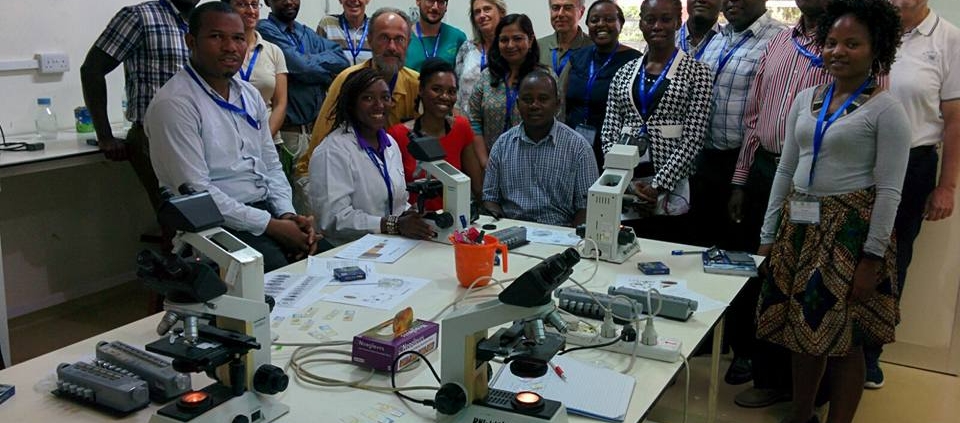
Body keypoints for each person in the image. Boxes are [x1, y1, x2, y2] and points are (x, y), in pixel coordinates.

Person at [754, 1, 909, 422]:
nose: (838, 51)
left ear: (877, 49)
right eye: (832, 42)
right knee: (802, 332)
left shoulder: (886, 109)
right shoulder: (807, 99)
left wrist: (871, 259)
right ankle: (802, 414)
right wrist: (769, 234)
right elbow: (786, 168)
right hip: (800, 228)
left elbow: (891, 191)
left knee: (846, 339)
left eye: (852, 43)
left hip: (849, 235)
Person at [146, 2, 322, 272]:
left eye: (238, 38)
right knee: (284, 278)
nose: (230, 47)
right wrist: (272, 226)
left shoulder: (249, 95)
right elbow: (199, 194)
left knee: (330, 261)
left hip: (266, 215)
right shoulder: (175, 104)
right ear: (191, 41)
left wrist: (287, 214)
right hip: (216, 226)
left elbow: (271, 164)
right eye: (217, 37)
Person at [723, 0, 832, 407]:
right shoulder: (781, 44)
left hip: (819, 183)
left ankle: (808, 392)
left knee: (809, 286)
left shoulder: (847, 46)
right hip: (768, 170)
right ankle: (767, 376)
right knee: (765, 274)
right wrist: (741, 180)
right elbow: (754, 118)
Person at [862, 0, 960, 390]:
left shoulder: (948, 39)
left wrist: (947, 186)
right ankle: (834, 344)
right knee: (844, 251)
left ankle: (869, 354)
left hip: (912, 164)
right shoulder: (870, 29)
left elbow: (954, 121)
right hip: (858, 158)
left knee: (891, 259)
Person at [599, 0, 712, 244]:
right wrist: (625, 181)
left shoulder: (698, 73)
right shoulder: (624, 72)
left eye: (665, 19)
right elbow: (608, 131)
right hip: (627, 185)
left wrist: (657, 186)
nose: (657, 26)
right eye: (650, 20)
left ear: (678, 22)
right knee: (626, 253)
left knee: (667, 259)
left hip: (671, 186)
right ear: (640, 23)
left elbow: (693, 140)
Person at [80, 0, 200, 212]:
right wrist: (105, 136)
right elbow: (92, 70)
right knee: (179, 217)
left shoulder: (203, 20)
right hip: (154, 135)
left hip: (198, 132)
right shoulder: (138, 16)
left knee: (206, 212)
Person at [689, 0, 784, 251]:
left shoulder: (779, 41)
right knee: (700, 246)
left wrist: (740, 182)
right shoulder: (717, 37)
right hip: (705, 161)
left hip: (747, 164)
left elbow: (768, 112)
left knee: (738, 251)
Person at [309, 68, 435, 246]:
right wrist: (393, 224)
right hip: (348, 250)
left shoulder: (390, 143)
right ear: (351, 104)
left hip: (391, 245)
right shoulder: (332, 151)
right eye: (368, 98)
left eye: (385, 97)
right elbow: (334, 219)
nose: (379, 105)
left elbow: (397, 203)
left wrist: (411, 214)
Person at [297, 8, 420, 183]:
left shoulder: (417, 84)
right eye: (384, 38)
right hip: (348, 179)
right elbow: (320, 144)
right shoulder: (347, 81)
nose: (392, 47)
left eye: (399, 39)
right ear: (369, 40)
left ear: (408, 43)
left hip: (400, 180)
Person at [483, 70, 598, 227]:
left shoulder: (579, 148)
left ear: (557, 104)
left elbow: (587, 209)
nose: (534, 105)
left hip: (560, 235)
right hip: (511, 232)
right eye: (527, 99)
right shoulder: (502, 145)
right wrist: (499, 227)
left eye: (543, 99)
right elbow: (490, 199)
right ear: (518, 104)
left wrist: (572, 242)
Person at [387, 58, 484, 206]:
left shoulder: (462, 127)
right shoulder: (397, 135)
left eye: (451, 91)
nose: (445, 97)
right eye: (437, 89)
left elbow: (477, 186)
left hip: (456, 221)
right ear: (421, 90)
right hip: (413, 221)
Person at [258, 0, 350, 149]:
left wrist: (306, 66)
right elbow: (301, 67)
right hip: (288, 134)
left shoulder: (305, 32)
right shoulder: (265, 30)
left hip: (317, 131)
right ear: (268, 2)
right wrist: (326, 76)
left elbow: (342, 59)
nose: (289, 2)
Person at [561, 0, 641, 169]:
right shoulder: (577, 57)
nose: (601, 24)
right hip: (572, 143)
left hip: (611, 148)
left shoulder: (635, 61)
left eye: (609, 19)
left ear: (621, 23)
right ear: (588, 24)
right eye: (595, 20)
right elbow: (563, 101)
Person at [470, 14, 548, 169]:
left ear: (530, 40)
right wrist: (486, 164)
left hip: (535, 166)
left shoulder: (546, 79)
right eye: (504, 40)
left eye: (517, 38)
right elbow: (474, 121)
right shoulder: (486, 77)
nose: (510, 45)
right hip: (492, 166)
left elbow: (556, 122)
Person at [223, 0, 290, 166]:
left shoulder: (273, 51)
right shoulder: (222, 52)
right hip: (229, 145)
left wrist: (262, 140)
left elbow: (280, 104)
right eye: (242, 4)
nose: (251, 10)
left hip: (269, 143)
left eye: (254, 4)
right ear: (228, 9)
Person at [455, 0, 506, 117]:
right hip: (466, 123)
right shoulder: (466, 48)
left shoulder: (510, 49)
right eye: (477, 12)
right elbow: (456, 89)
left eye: (487, 9)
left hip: (499, 123)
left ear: (501, 13)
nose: (482, 15)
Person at [405, 0, 467, 71]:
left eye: (441, 2)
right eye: (430, 1)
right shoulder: (403, 37)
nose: (435, 7)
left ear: (446, 6)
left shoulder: (458, 38)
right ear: (418, 1)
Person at [538, 0, 592, 76]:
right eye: (555, 8)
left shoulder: (593, 48)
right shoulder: (538, 47)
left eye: (568, 8)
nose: (560, 14)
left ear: (581, 12)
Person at [316, 0, 373, 66]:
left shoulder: (375, 27)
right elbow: (317, 64)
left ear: (367, 0)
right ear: (340, 0)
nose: (353, 0)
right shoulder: (327, 25)